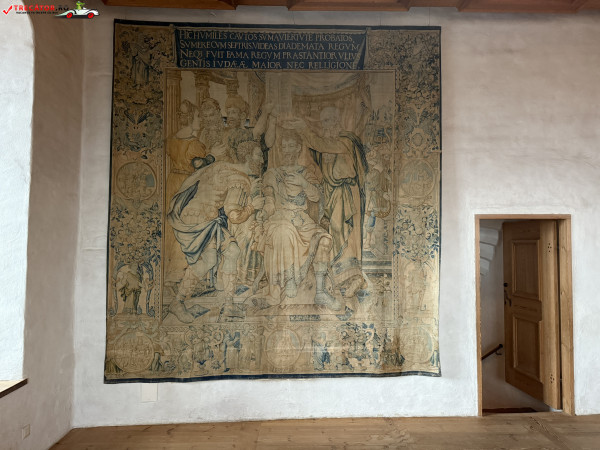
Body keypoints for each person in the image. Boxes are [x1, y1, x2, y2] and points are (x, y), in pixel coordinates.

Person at [166, 142, 265, 323]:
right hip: (202, 220)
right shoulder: (240, 178)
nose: (262, 160)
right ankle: (179, 302)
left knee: (230, 251)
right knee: (214, 258)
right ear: (247, 157)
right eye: (258, 156)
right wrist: (253, 206)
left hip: (193, 216)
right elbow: (234, 215)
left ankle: (227, 305)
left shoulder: (220, 165)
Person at [257, 129, 340, 310]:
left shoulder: (306, 173)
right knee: (284, 232)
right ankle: (289, 280)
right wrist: (266, 210)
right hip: (280, 218)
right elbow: (269, 197)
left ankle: (320, 292)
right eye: (284, 147)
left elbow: (316, 197)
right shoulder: (273, 174)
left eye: (291, 146)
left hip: (302, 221)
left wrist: (303, 183)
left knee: (325, 240)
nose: (287, 150)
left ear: (298, 149)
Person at [293, 106, 369, 298]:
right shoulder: (328, 143)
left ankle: (355, 277)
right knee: (333, 233)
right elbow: (317, 155)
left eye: (328, 121)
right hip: (331, 193)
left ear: (336, 121)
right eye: (323, 122)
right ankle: (340, 278)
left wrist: (304, 129)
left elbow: (321, 145)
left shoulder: (346, 141)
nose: (325, 125)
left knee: (345, 233)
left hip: (346, 193)